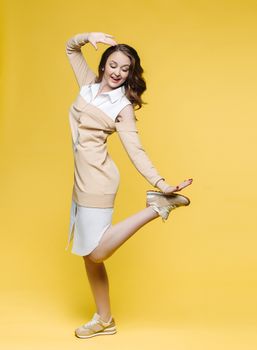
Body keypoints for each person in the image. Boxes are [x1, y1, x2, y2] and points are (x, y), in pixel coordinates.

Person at [65, 32, 193, 339]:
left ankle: (157, 206)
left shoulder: (121, 107)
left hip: (98, 180)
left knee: (97, 253)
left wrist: (161, 183)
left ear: (130, 74)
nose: (117, 72)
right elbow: (71, 48)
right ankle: (104, 319)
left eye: (125, 69)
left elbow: (136, 150)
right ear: (104, 64)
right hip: (80, 180)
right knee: (87, 253)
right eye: (113, 64)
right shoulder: (88, 86)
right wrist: (88, 36)